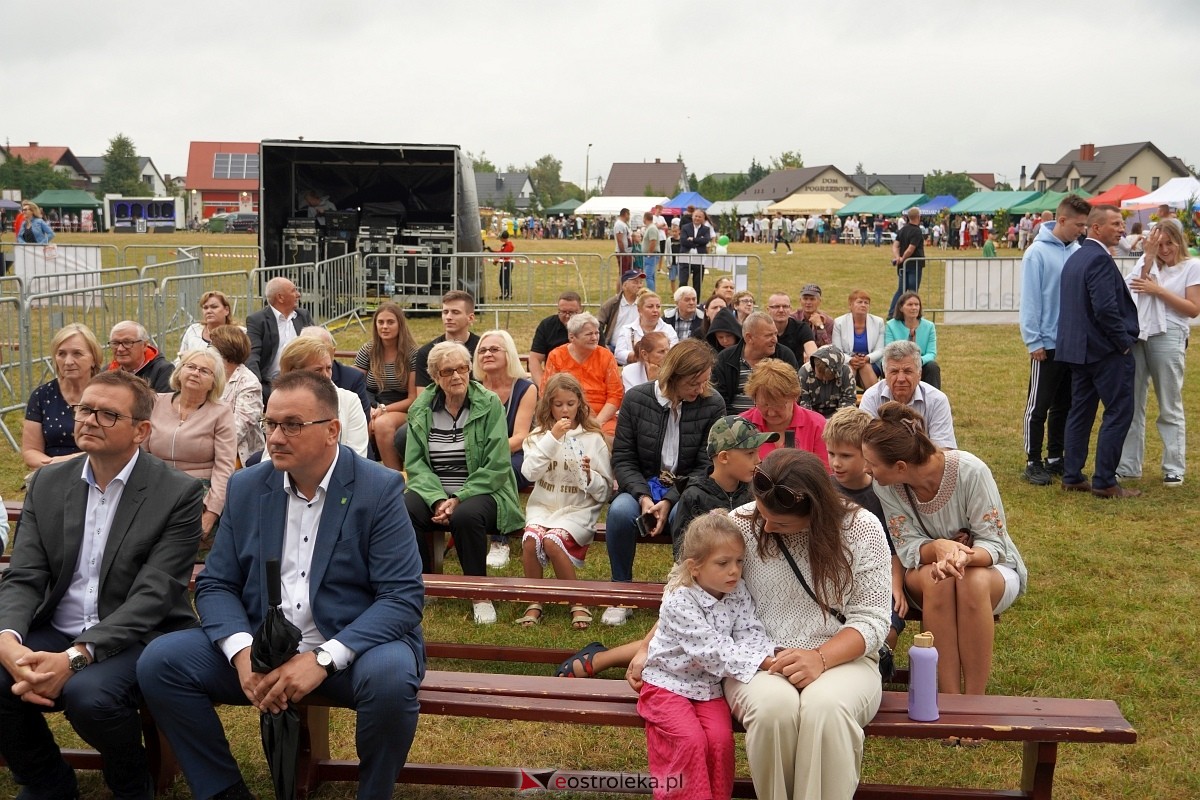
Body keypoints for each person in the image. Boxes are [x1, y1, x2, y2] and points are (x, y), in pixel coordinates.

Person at [137, 370, 424, 800]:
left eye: (292, 425)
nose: (274, 437)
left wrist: (322, 659)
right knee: (161, 661)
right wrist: (242, 654)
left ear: (332, 431)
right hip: (264, 646)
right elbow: (216, 584)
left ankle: (374, 792)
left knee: (390, 677)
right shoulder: (249, 485)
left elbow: (401, 598)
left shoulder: (377, 488)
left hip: (350, 646)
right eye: (271, 424)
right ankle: (223, 791)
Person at [0, 370, 203, 800]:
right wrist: (8, 639)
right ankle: (47, 781)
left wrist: (75, 657)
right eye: (84, 409)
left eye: (107, 414)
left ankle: (131, 784)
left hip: (138, 635)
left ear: (141, 431)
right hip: (58, 624)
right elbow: (26, 574)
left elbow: (155, 595)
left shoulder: (178, 494)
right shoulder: (49, 483)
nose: (88, 420)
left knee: (89, 696)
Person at [862, 402, 1027, 695]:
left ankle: (975, 703)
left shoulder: (971, 471)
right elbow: (906, 546)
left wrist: (960, 557)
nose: (866, 470)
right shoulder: (885, 486)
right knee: (938, 580)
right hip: (925, 572)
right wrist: (938, 549)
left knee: (971, 581)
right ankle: (949, 699)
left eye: (871, 464)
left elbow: (993, 546)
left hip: (989, 570)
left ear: (900, 466)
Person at [639, 515, 775, 800]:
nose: (734, 571)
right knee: (690, 741)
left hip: (708, 688)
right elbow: (710, 650)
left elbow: (750, 631)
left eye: (739, 562)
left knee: (720, 741)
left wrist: (764, 653)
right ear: (695, 567)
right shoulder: (679, 600)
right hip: (666, 684)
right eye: (723, 563)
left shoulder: (736, 592)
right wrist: (761, 661)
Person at [604, 339, 725, 625]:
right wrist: (644, 497)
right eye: (694, 383)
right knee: (620, 513)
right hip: (642, 484)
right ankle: (620, 593)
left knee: (685, 515)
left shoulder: (712, 403)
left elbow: (705, 464)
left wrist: (670, 499)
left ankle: (683, 596)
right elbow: (623, 457)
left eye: (704, 382)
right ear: (673, 376)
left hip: (687, 487)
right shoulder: (636, 399)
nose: (700, 390)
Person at [404, 342, 523, 623]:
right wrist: (436, 499)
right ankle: (424, 584)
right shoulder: (421, 408)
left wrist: (458, 497)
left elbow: (497, 464)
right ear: (435, 376)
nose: (457, 376)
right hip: (434, 489)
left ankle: (479, 593)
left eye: (462, 368)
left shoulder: (488, 403)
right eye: (448, 371)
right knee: (404, 509)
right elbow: (415, 464)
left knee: (467, 516)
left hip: (483, 488)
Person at [515, 373, 613, 629]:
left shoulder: (593, 439)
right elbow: (529, 473)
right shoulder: (536, 437)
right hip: (543, 506)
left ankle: (577, 601)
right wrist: (552, 439)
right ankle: (534, 600)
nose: (565, 410)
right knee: (531, 540)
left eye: (570, 403)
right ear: (549, 405)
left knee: (552, 541)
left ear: (579, 403)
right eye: (558, 404)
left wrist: (590, 476)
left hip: (578, 509)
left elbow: (604, 492)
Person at [1056, 205, 1140, 498]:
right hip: (1104, 352)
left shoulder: (1076, 258)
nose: (1121, 228)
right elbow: (1105, 309)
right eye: (1116, 223)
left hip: (1078, 352)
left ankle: (1072, 475)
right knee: (1118, 411)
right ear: (1096, 228)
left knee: (1080, 412)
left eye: (1121, 223)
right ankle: (1104, 480)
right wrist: (1123, 343)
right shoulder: (1098, 260)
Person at [1118, 218, 1200, 486]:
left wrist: (1158, 290)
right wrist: (1149, 257)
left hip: (1170, 335)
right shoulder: (1148, 264)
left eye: (1168, 243)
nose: (1165, 249)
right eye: (1158, 244)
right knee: (1132, 402)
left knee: (1169, 403)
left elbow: (1192, 308)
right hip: (1140, 334)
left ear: (1179, 241)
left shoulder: (1191, 267)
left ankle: (1174, 466)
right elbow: (1135, 288)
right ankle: (1129, 465)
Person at [1018, 194, 1088, 485]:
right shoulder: (1036, 253)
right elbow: (1031, 300)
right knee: (1039, 404)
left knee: (1065, 403)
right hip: (1046, 344)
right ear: (1061, 220)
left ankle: (1056, 456)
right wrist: (1034, 341)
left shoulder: (1077, 250)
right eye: (1078, 224)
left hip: (1072, 343)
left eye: (1085, 225)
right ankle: (1033, 460)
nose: (1082, 230)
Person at [823, 407, 907, 649]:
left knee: (887, 631)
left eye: (846, 456)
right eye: (831, 453)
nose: (836, 463)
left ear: (868, 454)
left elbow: (895, 548)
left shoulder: (884, 494)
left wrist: (895, 586)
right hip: (831, 580)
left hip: (876, 578)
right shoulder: (823, 491)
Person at [146, 348, 237, 544]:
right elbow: (140, 453)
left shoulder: (221, 413)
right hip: (155, 488)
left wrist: (211, 513)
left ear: (214, 381)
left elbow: (224, 467)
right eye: (191, 367)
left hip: (198, 495)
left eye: (205, 371)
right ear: (179, 371)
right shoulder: (155, 402)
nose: (196, 373)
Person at [476, 329, 539, 568]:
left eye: (494, 349)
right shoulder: (473, 386)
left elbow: (521, 436)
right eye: (482, 350)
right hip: (479, 454)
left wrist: (489, 453)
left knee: (502, 471)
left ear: (508, 354)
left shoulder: (525, 388)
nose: (487, 354)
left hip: (517, 454)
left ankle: (499, 541)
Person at [669, 416, 773, 558]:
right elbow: (683, 552)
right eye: (750, 453)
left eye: (757, 452)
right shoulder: (694, 496)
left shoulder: (754, 492)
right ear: (724, 457)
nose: (758, 460)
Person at [21, 323, 102, 471]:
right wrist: (55, 467)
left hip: (100, 472)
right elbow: (30, 451)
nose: (68, 362)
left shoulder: (109, 393)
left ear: (94, 358)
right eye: (61, 354)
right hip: (52, 473)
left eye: (77, 353)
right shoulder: (42, 396)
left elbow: (115, 447)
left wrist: (65, 462)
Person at [277, 336, 369, 457]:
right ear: (295, 373)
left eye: (329, 368)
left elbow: (357, 455)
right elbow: (271, 457)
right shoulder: (279, 401)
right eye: (318, 370)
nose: (326, 376)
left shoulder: (349, 401)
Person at [355, 303, 418, 470]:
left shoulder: (413, 354)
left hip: (403, 407)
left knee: (382, 424)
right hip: (371, 403)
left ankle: (394, 476)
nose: (384, 327)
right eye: (380, 322)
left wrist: (383, 409)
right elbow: (354, 384)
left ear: (400, 324)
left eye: (390, 322)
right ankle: (362, 475)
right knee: (358, 422)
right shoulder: (368, 350)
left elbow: (413, 398)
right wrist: (369, 409)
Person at [860, 340, 957, 449]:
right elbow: (865, 446)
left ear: (919, 374)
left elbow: (943, 450)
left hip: (924, 464)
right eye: (894, 372)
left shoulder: (937, 400)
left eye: (907, 371)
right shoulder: (871, 397)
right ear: (885, 374)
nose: (901, 379)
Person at [542, 312, 623, 438]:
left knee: (609, 440)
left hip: (601, 416)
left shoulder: (606, 356)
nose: (595, 338)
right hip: (564, 415)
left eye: (596, 333)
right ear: (572, 336)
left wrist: (597, 423)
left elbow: (615, 395)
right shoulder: (556, 356)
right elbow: (546, 393)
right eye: (589, 334)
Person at [739, 358, 829, 467]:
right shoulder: (741, 425)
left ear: (795, 397)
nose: (771, 413)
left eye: (778, 405)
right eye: (764, 405)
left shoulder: (817, 425)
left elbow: (824, 474)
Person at [712, 311, 800, 414]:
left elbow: (794, 395)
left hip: (774, 419)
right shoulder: (725, 359)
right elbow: (719, 402)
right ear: (749, 338)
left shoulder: (784, 356)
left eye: (775, 334)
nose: (775, 340)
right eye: (768, 335)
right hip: (735, 424)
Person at [245, 277, 314, 396]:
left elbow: (316, 346)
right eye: (293, 291)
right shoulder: (257, 321)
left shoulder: (303, 316)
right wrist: (256, 386)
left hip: (304, 383)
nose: (298, 294)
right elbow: (252, 355)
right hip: (270, 385)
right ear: (280, 297)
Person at [209, 324, 265, 466]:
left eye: (212, 346)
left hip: (237, 456)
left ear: (225, 352)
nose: (207, 350)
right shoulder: (211, 376)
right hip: (209, 445)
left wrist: (201, 442)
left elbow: (237, 430)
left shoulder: (249, 384)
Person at [412, 290, 481, 389]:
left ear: (470, 318)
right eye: (445, 312)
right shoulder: (427, 353)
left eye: (455, 312)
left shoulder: (482, 350)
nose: (448, 317)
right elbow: (423, 398)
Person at [884, 291, 941, 389]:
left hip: (921, 363)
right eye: (910, 304)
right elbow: (889, 350)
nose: (914, 308)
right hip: (898, 362)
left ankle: (934, 399)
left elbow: (931, 353)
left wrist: (918, 361)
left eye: (917, 304)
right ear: (901, 308)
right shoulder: (891, 325)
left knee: (933, 367)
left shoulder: (929, 326)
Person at [833, 289, 886, 389]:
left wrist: (867, 358)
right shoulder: (839, 323)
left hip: (871, 363)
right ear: (850, 305)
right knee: (849, 369)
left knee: (865, 366)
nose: (863, 305)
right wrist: (850, 360)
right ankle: (847, 401)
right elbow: (837, 350)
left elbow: (880, 350)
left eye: (866, 303)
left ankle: (876, 400)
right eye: (859, 302)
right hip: (847, 362)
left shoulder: (878, 322)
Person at [528, 291, 582, 386]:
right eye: (563, 312)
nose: (567, 316)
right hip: (553, 380)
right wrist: (543, 386)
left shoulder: (591, 326)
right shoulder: (546, 325)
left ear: (581, 310)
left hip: (584, 378)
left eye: (572, 312)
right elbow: (534, 359)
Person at [613, 289, 679, 366]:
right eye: (650, 307)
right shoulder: (627, 329)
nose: (655, 310)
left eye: (658, 306)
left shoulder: (668, 329)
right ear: (639, 310)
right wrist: (638, 356)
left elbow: (674, 353)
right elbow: (618, 354)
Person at [106, 321, 175, 392]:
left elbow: (164, 402)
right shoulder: (107, 371)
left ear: (144, 345)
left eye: (127, 343)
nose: (120, 349)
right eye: (115, 343)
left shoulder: (163, 371)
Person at [799, 344, 857, 418]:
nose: (823, 379)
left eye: (827, 377)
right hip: (812, 416)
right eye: (820, 375)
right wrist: (817, 420)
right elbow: (804, 402)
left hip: (838, 415)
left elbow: (849, 400)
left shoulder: (846, 372)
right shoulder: (804, 373)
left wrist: (836, 420)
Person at [177, 290, 237, 360]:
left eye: (214, 307)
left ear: (226, 310)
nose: (208, 311)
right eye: (205, 308)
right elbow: (181, 359)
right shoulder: (193, 330)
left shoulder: (239, 333)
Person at [598, 269, 646, 349]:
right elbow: (598, 324)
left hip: (641, 348)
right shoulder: (612, 304)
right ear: (624, 285)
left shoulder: (645, 303)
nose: (639, 286)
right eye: (635, 282)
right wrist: (603, 345)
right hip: (614, 348)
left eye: (641, 282)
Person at [766, 292, 816, 360]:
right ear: (768, 310)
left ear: (790, 309)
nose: (781, 310)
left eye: (785, 306)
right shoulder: (762, 330)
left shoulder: (802, 328)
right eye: (776, 306)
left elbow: (812, 353)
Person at [678, 209, 712, 294]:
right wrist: (697, 242)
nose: (697, 218)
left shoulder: (706, 229)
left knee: (697, 284)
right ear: (692, 216)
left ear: (703, 218)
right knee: (683, 282)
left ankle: (696, 303)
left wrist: (693, 239)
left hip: (699, 258)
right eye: (695, 216)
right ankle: (681, 300)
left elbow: (706, 240)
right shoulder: (685, 227)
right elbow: (683, 241)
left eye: (699, 217)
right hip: (685, 257)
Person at [793, 283, 835, 348]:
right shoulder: (793, 319)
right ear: (800, 301)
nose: (808, 302)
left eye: (812, 299)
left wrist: (819, 326)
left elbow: (827, 347)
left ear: (819, 301)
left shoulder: (828, 321)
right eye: (805, 299)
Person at [641, 211, 662, 292]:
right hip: (650, 255)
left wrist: (649, 253)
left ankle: (651, 293)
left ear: (645, 218)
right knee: (651, 276)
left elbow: (653, 241)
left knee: (648, 276)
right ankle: (652, 292)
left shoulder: (652, 228)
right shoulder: (650, 227)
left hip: (651, 256)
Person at [494, 229, 516, 299]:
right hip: (504, 264)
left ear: (503, 237)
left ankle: (508, 294)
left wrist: (497, 260)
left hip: (507, 264)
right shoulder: (504, 245)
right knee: (501, 279)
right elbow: (501, 252)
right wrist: (492, 251)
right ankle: (503, 293)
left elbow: (504, 255)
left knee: (506, 279)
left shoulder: (509, 245)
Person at [613, 208, 633, 281]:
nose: (629, 217)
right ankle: (620, 291)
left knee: (627, 274)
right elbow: (619, 240)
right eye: (629, 214)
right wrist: (623, 253)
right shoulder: (619, 224)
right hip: (623, 253)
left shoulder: (624, 224)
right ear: (625, 214)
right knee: (623, 274)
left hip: (627, 252)